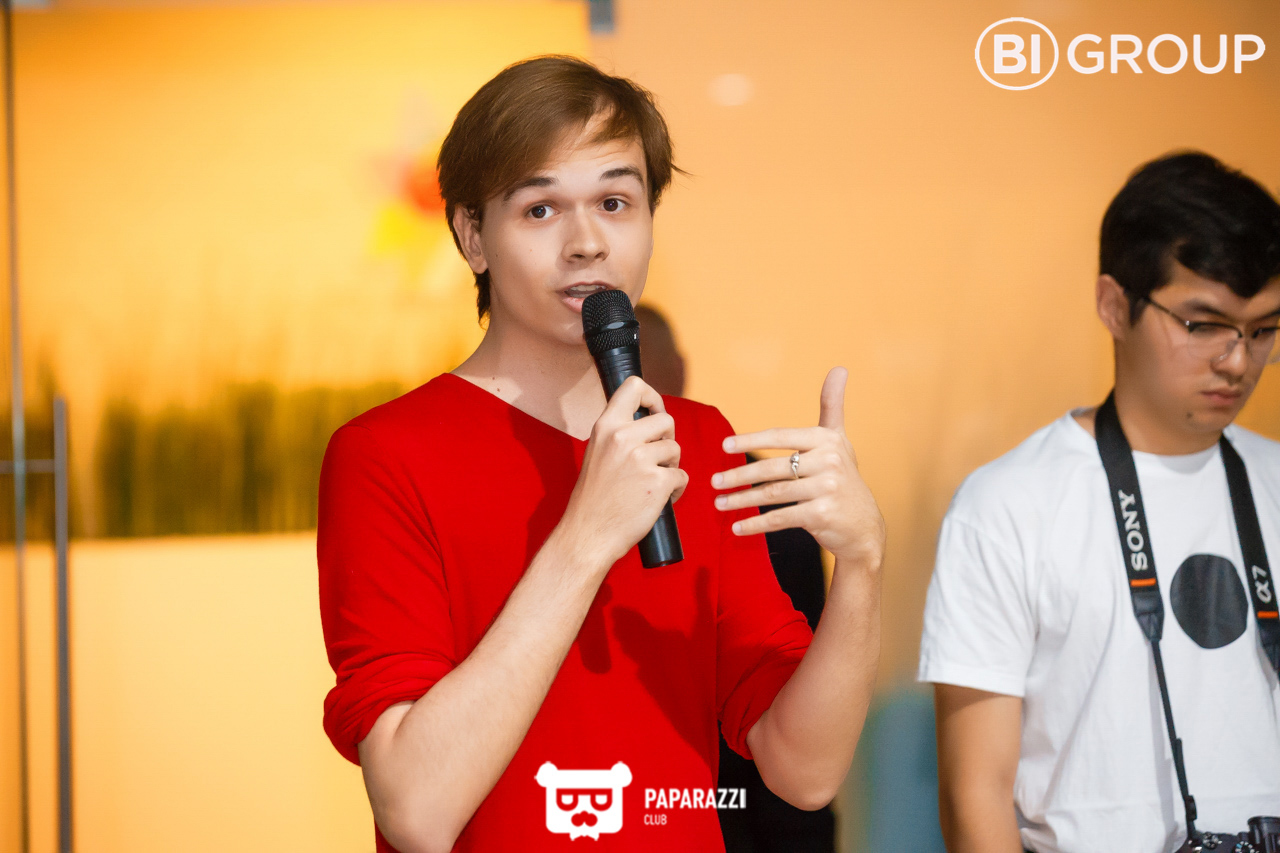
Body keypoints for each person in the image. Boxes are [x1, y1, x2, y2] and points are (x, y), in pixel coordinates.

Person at [317, 56, 885, 853]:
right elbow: (417, 810)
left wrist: (861, 565)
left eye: (615, 202)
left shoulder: (699, 439)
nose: (586, 243)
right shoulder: (384, 455)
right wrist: (586, 536)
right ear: (473, 236)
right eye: (541, 208)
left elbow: (805, 769)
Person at [919, 151, 1280, 853]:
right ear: (1115, 305)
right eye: (1203, 324)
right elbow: (975, 794)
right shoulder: (1007, 504)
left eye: (1263, 330)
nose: (1237, 360)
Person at [634, 303, 836, 852]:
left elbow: (800, 661)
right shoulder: (579, 493)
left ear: (681, 371)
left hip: (762, 776)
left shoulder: (755, 487)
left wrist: (863, 565)